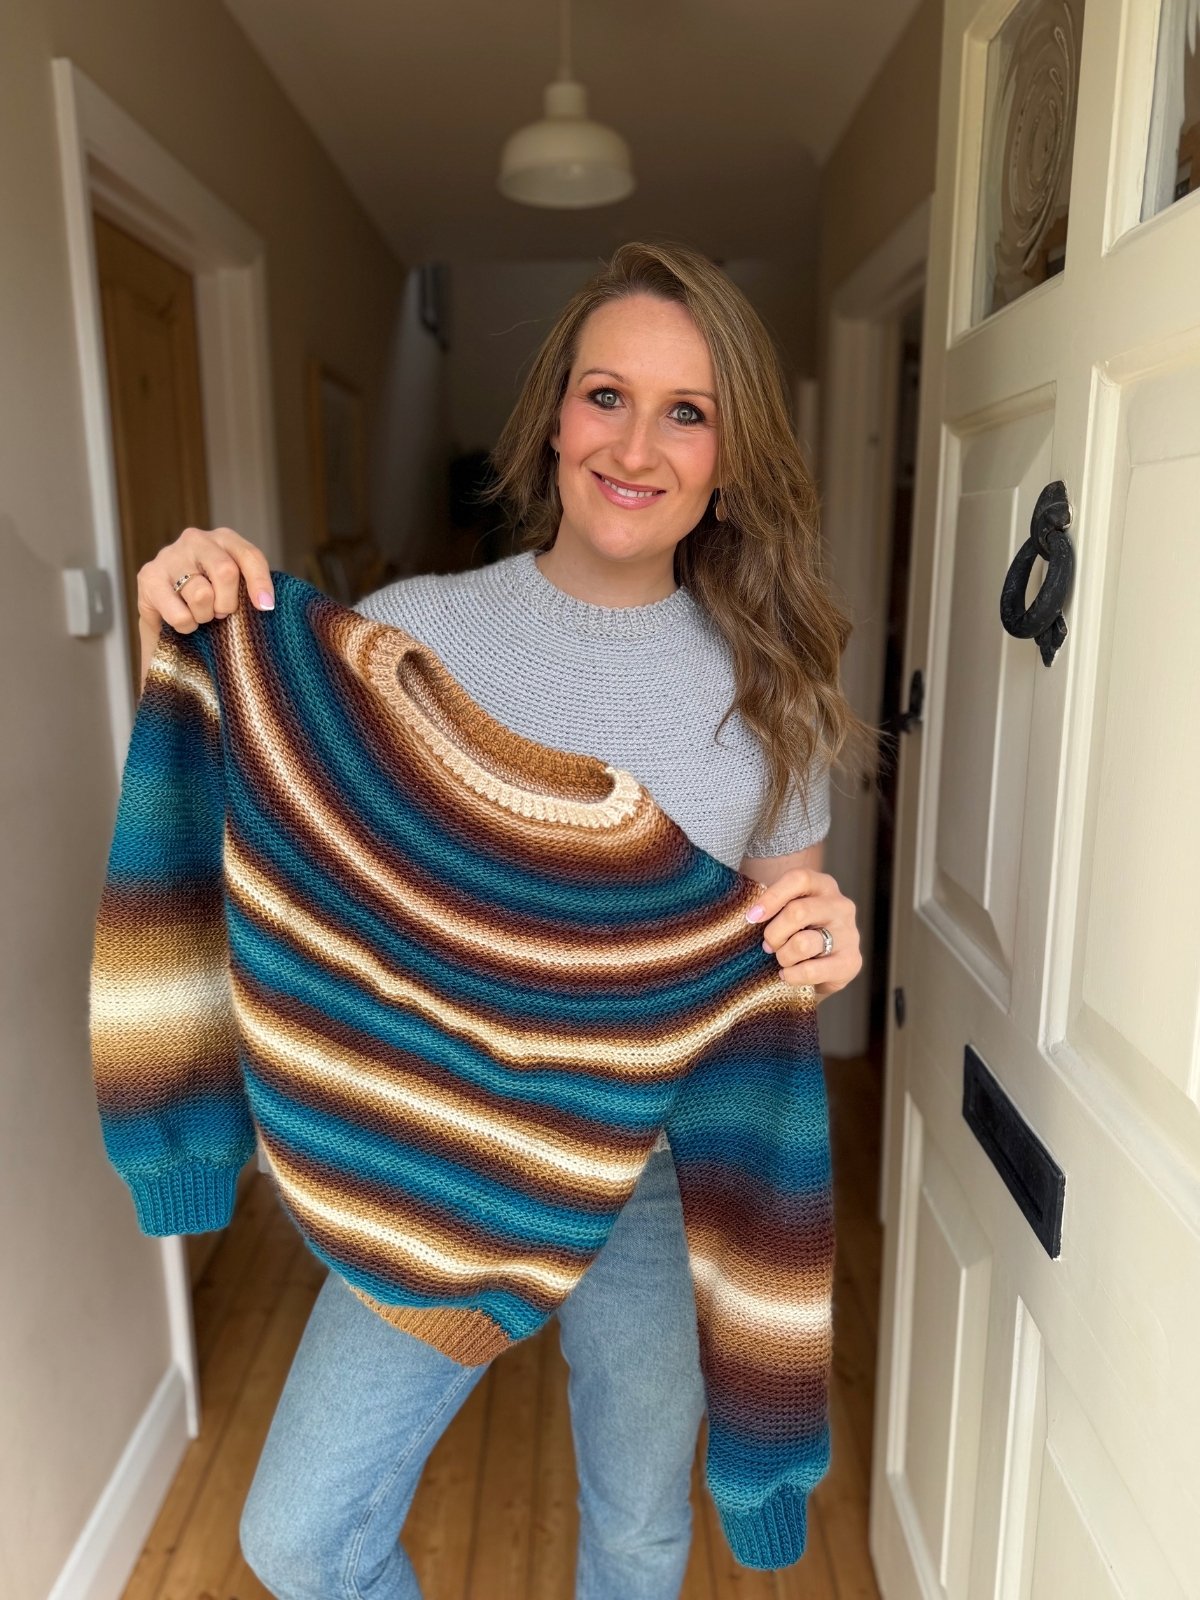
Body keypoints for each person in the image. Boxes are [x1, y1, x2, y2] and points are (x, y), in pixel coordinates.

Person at [132, 240, 873, 1599]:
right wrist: (186, 630)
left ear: (727, 459)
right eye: (606, 394)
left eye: (687, 411)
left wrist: (823, 945)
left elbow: (772, 957)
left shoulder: (773, 700)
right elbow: (274, 831)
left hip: (652, 1176)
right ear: (551, 414)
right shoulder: (412, 632)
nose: (636, 444)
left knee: (639, 1535)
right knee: (295, 1536)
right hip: (443, 1160)